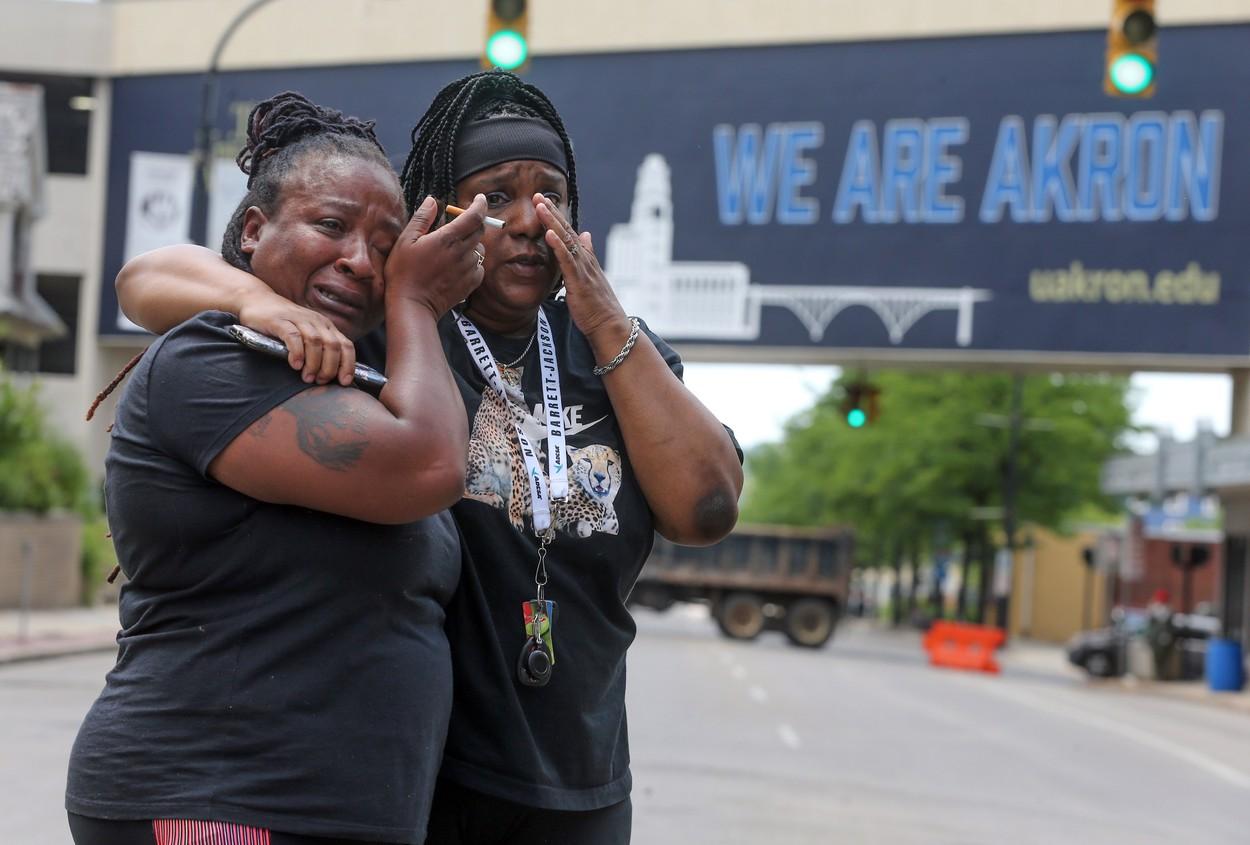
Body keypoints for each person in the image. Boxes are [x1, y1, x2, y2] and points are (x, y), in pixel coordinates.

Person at [114, 70, 744, 845]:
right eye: (495, 196)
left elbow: (706, 507)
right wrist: (259, 302)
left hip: (581, 780)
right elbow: (145, 280)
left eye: (550, 194)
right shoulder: (390, 328)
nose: (526, 220)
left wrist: (608, 321)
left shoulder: (616, 354)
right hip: (425, 778)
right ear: (436, 217)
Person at [67, 92, 488, 845]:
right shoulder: (214, 358)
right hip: (219, 801)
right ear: (254, 231)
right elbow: (429, 466)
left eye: (386, 245)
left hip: (325, 811)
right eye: (331, 225)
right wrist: (259, 299)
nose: (360, 260)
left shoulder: (367, 373)